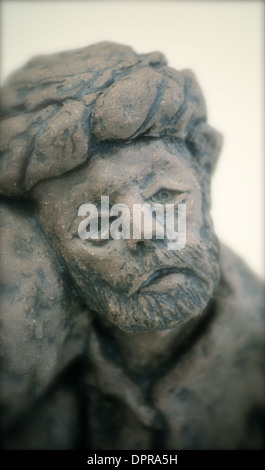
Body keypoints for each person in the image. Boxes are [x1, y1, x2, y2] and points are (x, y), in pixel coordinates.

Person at [0, 42, 264, 449]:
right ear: (43, 236)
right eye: (99, 220)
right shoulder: (27, 361)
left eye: (165, 195)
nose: (145, 231)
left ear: (205, 170)